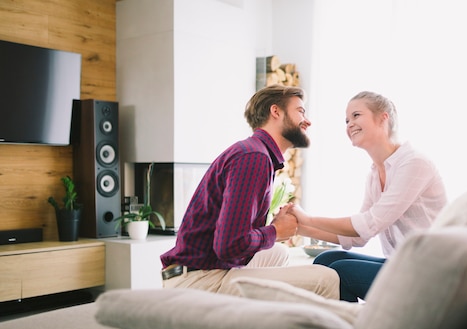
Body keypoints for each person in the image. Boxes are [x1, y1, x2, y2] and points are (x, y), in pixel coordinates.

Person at [160, 85, 339, 299]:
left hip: (199, 268)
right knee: (326, 279)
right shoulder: (254, 158)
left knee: (277, 253)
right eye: (300, 111)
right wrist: (276, 231)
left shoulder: (254, 152)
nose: (307, 120)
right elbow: (229, 246)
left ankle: (258, 325)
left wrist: (275, 230)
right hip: (199, 280)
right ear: (276, 111)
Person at [290, 91, 447, 301]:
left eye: (356, 115)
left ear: (383, 118)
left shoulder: (414, 164)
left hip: (429, 274)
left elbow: (369, 223)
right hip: (400, 264)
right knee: (327, 261)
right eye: (346, 120)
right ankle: (343, 325)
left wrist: (308, 219)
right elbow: (358, 236)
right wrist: (298, 227)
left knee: (340, 271)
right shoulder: (375, 174)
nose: (349, 124)